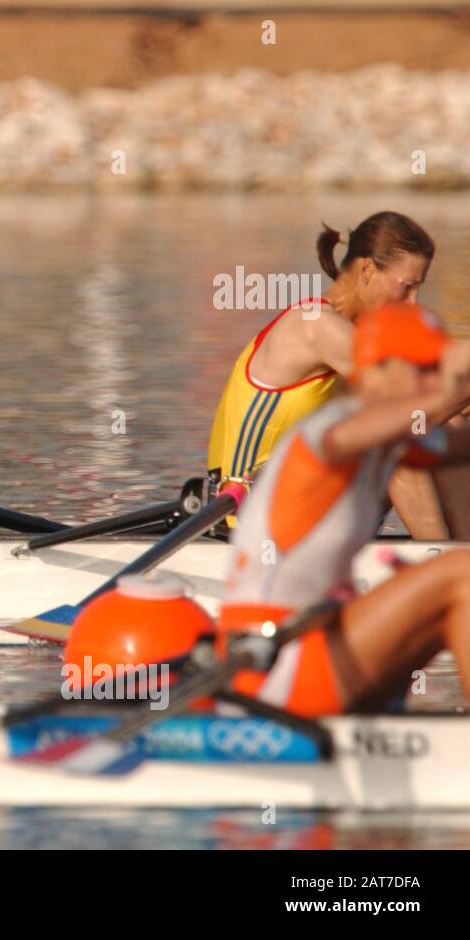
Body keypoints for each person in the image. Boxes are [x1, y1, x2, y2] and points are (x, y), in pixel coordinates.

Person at [219, 302, 470, 715]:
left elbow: (456, 445)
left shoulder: (391, 442)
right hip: (273, 664)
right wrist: (447, 388)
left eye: (435, 367)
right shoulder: (331, 429)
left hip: (317, 645)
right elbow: (346, 440)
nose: (432, 380)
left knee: (436, 601)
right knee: (459, 571)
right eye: (423, 368)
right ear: (375, 373)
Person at [205, 211, 470, 537]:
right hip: (252, 516)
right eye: (407, 287)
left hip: (312, 499)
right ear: (367, 270)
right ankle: (440, 561)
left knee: (449, 427)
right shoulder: (314, 325)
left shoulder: (358, 332)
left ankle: (460, 550)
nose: (412, 304)